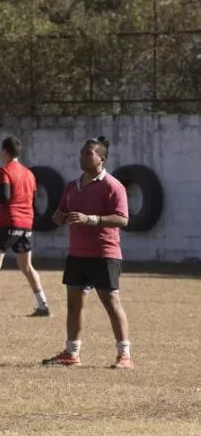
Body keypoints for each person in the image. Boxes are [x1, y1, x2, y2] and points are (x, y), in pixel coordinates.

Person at [42, 136, 133, 369]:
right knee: (74, 304)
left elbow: (122, 219)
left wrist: (90, 219)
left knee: (111, 302)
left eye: (88, 153)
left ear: (101, 159)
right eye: (81, 152)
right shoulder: (72, 186)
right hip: (77, 254)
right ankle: (72, 353)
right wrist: (59, 218)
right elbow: (60, 212)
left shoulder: (113, 186)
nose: (82, 156)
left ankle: (124, 356)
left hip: (104, 253)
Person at [0, 136, 50, 318]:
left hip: (8, 222)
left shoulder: (4, 170)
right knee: (27, 266)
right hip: (26, 224)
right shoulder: (30, 174)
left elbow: (4, 197)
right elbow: (32, 199)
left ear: (6, 152)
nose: (0, 154)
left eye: (1, 150)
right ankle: (43, 305)